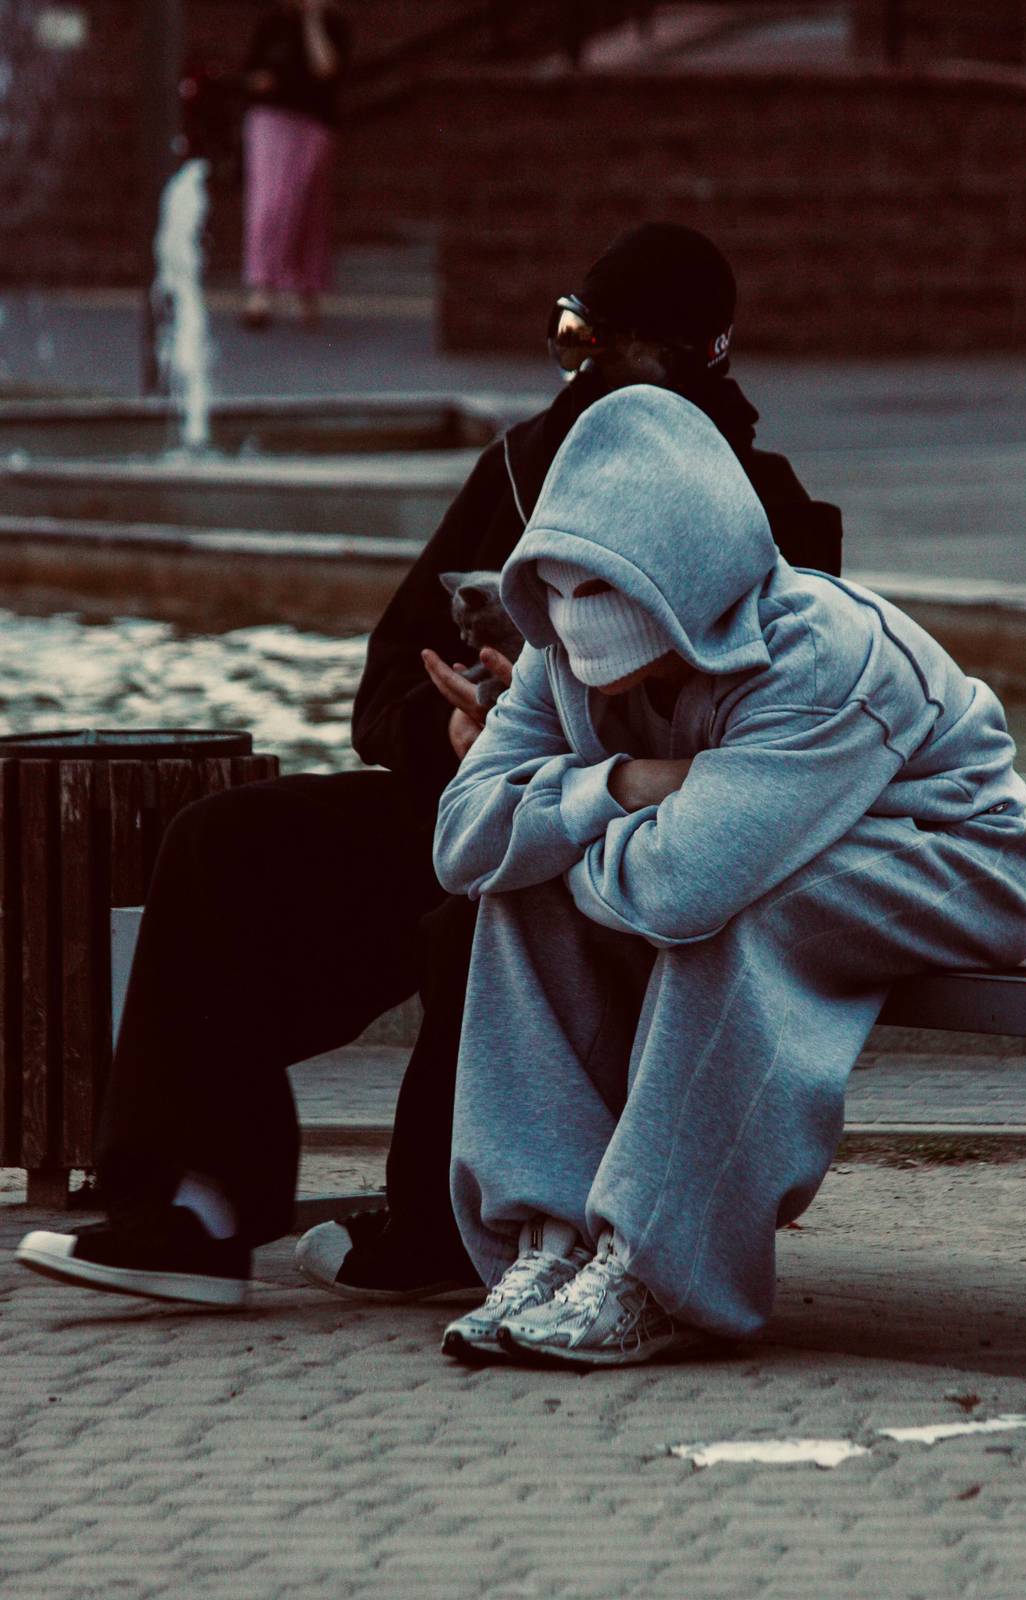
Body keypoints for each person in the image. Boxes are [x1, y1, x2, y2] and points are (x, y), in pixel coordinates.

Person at [14, 224, 845, 1311]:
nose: (583, 373)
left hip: (630, 838)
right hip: (474, 801)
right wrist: (446, 730)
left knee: (482, 914)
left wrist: (565, 735)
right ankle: (196, 1209)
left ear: (694, 358)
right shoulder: (520, 470)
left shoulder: (767, 510)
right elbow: (382, 688)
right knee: (222, 844)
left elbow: (775, 742)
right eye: (571, 338)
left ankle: (443, 1224)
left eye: (610, 349)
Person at [433, 385, 1026, 1366]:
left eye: (609, 586)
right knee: (516, 896)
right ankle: (553, 1237)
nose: (577, 617)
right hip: (751, 848)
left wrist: (567, 834)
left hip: (953, 856)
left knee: (742, 913)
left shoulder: (820, 656)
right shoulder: (559, 662)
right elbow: (462, 840)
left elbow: (682, 890)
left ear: (682, 568)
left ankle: (663, 1270)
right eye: (559, 585)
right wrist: (625, 784)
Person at [241, 0, 352, 330]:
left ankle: (306, 290)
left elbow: (326, 69)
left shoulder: (333, 24)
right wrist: (262, 81)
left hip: (313, 123)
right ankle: (262, 288)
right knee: (271, 203)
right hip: (271, 118)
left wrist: (313, 21)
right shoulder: (272, 23)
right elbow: (249, 73)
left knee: (308, 209)